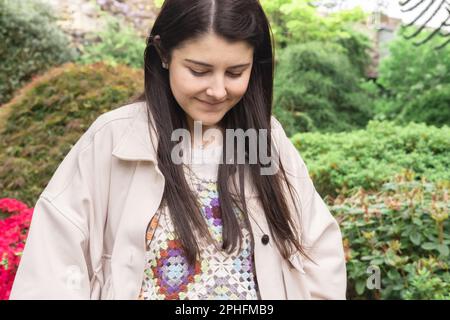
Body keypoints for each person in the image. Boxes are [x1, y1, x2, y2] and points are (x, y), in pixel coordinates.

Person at [10, 0, 346, 300]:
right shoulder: (113, 139)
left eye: (235, 72)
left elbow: (320, 254)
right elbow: (53, 263)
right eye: (199, 71)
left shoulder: (267, 141)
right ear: (163, 54)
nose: (217, 90)